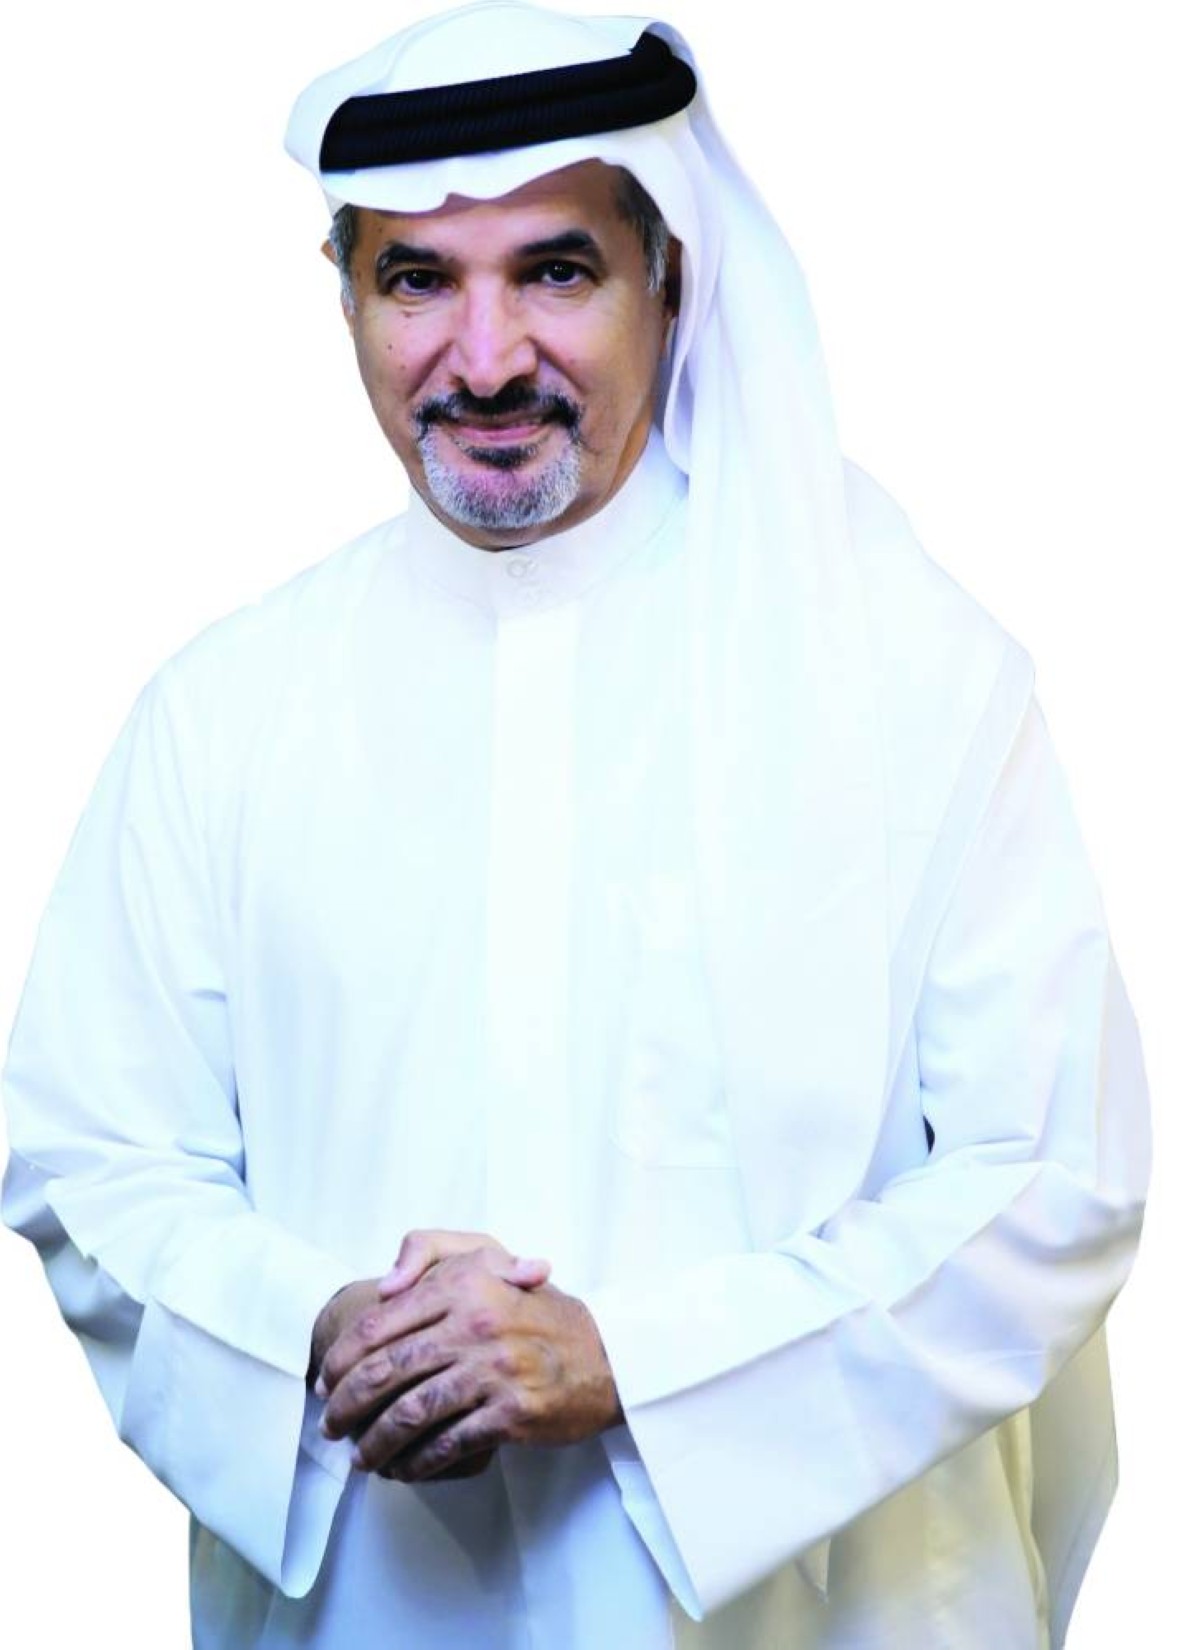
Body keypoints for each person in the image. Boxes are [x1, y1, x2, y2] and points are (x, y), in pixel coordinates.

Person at [0, 3, 1149, 1646]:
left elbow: (1051, 1180)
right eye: (417, 279)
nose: (484, 361)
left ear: (669, 277)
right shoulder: (225, 710)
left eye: (555, 271)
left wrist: (641, 1374)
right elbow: (92, 1152)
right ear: (343, 295)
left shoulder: (913, 675)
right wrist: (315, 1327)